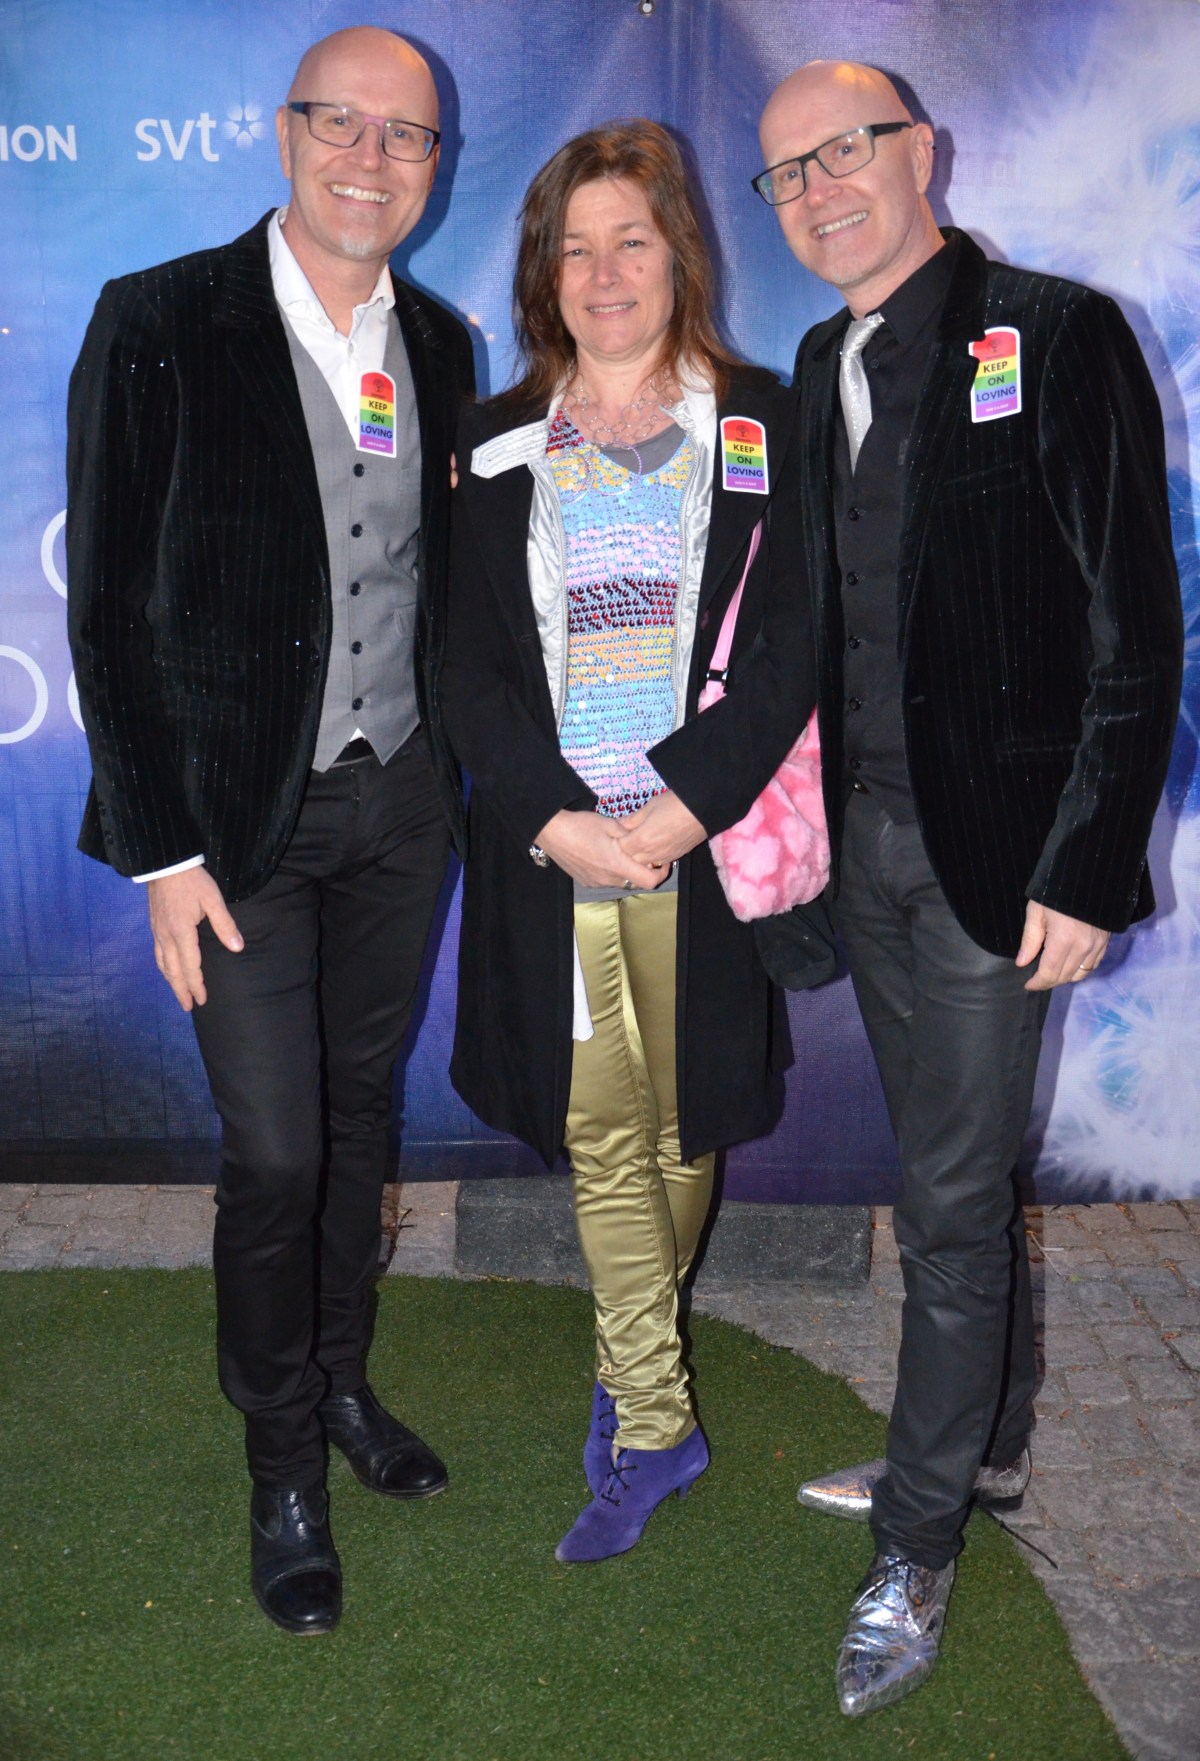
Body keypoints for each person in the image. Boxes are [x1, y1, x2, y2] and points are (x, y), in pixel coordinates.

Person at [754, 61, 1183, 1714]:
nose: (819, 191)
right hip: (865, 847)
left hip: (1003, 866)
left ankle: (918, 1536)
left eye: (845, 151)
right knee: (957, 1169)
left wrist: (1087, 861)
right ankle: (984, 1440)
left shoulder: (1055, 334)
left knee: (944, 1196)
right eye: (787, 172)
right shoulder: (816, 364)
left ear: (921, 151)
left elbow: (1136, 625)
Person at [66, 27, 475, 1635]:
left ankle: (346, 1380)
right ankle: (282, 1456)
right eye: (342, 125)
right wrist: (161, 850)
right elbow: (107, 607)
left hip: (402, 803)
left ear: (436, 163)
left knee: (362, 1118)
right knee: (280, 1148)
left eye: (405, 135)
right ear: (285, 132)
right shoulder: (160, 318)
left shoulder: (438, 341)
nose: (371, 159)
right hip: (236, 827)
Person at [443, 121, 811, 1564]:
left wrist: (684, 806)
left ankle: (629, 1345)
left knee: (681, 1121)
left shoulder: (761, 422)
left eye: (632, 243)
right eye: (576, 249)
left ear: (679, 256)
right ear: (545, 272)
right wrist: (556, 818)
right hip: (559, 853)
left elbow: (792, 648)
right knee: (606, 1125)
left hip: (699, 838)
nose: (605, 275)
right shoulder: (493, 439)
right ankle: (656, 1417)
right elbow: (465, 662)